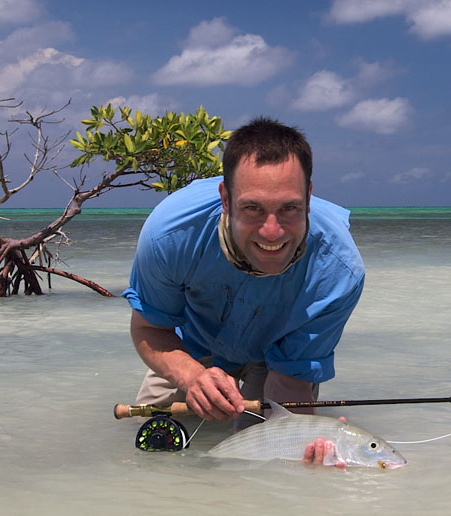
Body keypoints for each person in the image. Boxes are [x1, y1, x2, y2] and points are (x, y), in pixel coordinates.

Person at [123, 118, 365, 446]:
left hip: (275, 356)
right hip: (192, 345)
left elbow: (289, 381)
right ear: (225, 198)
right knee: (154, 440)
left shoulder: (339, 271)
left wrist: (297, 445)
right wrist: (193, 378)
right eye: (252, 208)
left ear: (308, 198)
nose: (272, 231)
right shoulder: (170, 235)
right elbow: (150, 330)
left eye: (289, 208)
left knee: (269, 448)